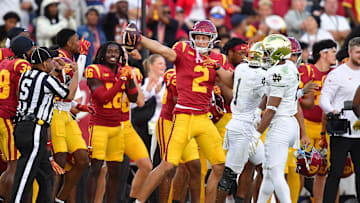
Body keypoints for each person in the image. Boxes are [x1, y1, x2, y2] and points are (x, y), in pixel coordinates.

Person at [128, 20, 226, 203]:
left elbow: (230, 82)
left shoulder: (218, 60)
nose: (201, 41)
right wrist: (140, 38)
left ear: (212, 40)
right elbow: (163, 50)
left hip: (203, 117)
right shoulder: (182, 52)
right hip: (180, 116)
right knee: (168, 165)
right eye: (198, 37)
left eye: (205, 38)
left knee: (215, 166)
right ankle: (139, 202)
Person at [10, 46, 79, 203]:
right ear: (44, 63)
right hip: (34, 128)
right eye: (50, 61)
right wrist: (75, 73)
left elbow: (43, 85)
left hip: (25, 126)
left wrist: (55, 71)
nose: (52, 63)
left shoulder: (26, 75)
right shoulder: (46, 80)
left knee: (46, 175)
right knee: (25, 173)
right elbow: (69, 95)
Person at [249, 34, 300, 202]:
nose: (264, 56)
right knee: (269, 173)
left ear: (277, 53)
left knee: (276, 174)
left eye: (268, 52)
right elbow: (271, 95)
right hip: (290, 123)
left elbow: (272, 108)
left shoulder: (276, 72)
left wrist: (256, 135)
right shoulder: (291, 66)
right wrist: (258, 109)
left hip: (281, 125)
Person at [85, 41, 138, 203]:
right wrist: (121, 81)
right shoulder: (94, 70)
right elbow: (102, 98)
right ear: (102, 54)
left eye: (116, 52)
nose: (113, 54)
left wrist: (129, 80)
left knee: (115, 171)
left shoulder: (122, 72)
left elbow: (134, 98)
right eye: (109, 52)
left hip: (117, 127)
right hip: (99, 125)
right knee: (96, 168)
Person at [216, 41, 266, 203]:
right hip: (243, 128)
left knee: (266, 168)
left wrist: (217, 68)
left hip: (244, 125)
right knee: (229, 174)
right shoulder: (259, 74)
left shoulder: (241, 68)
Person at [51, 28, 90, 202]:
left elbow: (67, 90)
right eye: (76, 39)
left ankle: (60, 198)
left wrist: (79, 106)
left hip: (66, 113)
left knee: (82, 159)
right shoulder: (59, 56)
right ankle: (50, 199)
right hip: (55, 113)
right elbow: (73, 78)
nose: (79, 42)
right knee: (58, 163)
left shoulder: (69, 57)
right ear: (68, 42)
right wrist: (83, 56)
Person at [320, 37, 360, 203]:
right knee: (335, 172)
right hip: (341, 131)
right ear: (350, 52)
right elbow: (324, 98)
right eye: (358, 52)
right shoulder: (337, 74)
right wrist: (332, 110)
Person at [298, 39, 337, 203]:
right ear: (323, 53)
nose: (335, 54)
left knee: (324, 170)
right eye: (333, 51)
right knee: (300, 168)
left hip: (325, 128)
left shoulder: (335, 73)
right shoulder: (306, 69)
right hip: (305, 125)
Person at [156, 68, 201, 203]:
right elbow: (178, 101)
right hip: (169, 122)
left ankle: (177, 201)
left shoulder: (203, 74)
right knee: (168, 167)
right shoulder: (173, 74)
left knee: (189, 166)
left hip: (188, 123)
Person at [0, 36, 34, 203]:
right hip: (7, 116)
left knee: (10, 166)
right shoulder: (22, 64)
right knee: (14, 165)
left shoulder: (4, 62)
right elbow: (28, 88)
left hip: (2, 114)